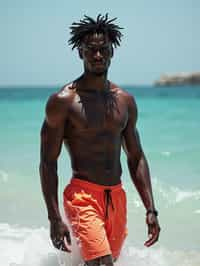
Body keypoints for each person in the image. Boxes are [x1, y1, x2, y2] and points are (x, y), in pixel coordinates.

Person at [40, 14, 160, 266]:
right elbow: (48, 163)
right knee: (102, 263)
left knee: (105, 262)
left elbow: (135, 156)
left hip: (116, 198)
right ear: (80, 53)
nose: (97, 56)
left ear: (111, 51)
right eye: (91, 50)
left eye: (103, 50)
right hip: (82, 196)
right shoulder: (63, 102)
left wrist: (150, 209)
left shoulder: (124, 101)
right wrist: (54, 218)